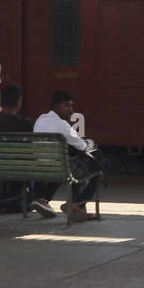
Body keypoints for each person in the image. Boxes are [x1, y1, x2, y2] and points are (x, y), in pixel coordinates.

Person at [0, 83, 52, 217]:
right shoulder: (24, 123)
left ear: (0, 101)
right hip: (12, 166)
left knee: (1, 164)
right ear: (18, 102)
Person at [33, 90, 104, 223]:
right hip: (62, 167)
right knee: (100, 164)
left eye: (71, 106)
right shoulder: (63, 125)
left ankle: (43, 199)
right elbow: (83, 147)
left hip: (42, 165)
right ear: (55, 106)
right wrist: (90, 144)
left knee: (68, 163)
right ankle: (78, 204)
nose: (71, 110)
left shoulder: (40, 119)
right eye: (67, 106)